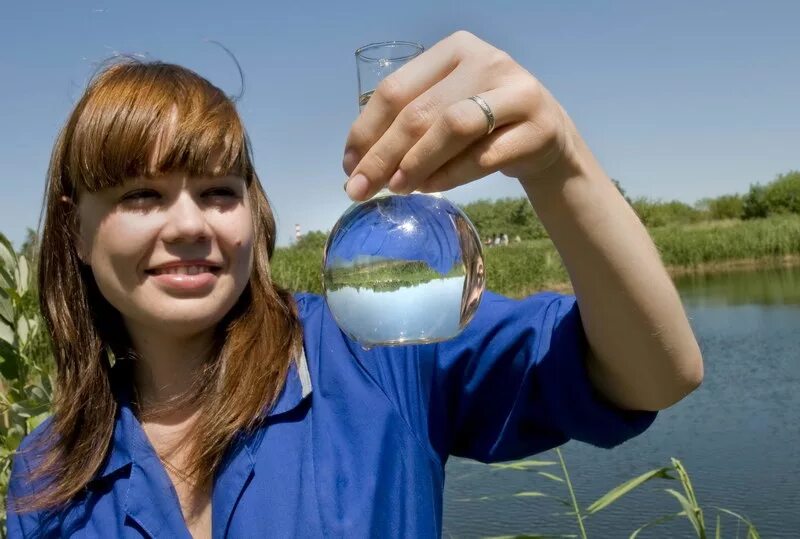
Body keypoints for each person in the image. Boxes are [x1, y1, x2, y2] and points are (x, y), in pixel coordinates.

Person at [7, 31, 703, 538]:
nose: (190, 224)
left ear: (254, 211)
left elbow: (655, 374)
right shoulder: (46, 473)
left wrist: (558, 163)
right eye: (141, 197)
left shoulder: (366, 346)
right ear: (75, 232)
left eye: (219, 191)